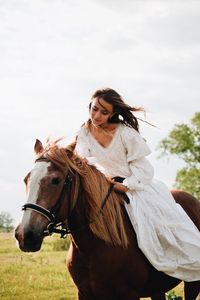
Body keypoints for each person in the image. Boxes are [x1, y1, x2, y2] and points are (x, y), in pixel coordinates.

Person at [75, 88, 200, 281]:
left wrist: (127, 184)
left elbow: (145, 170)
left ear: (113, 113)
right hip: (104, 187)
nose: (97, 115)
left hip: (135, 186)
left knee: (158, 227)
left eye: (104, 112)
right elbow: (84, 158)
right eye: (94, 109)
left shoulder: (125, 134)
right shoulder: (84, 131)